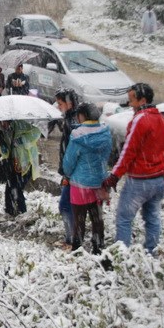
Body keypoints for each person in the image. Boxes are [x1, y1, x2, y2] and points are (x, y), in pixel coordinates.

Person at [103, 83, 164, 255]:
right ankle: (151, 254)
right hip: (157, 181)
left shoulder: (140, 119)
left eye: (132, 100)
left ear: (142, 100)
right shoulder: (163, 121)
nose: (130, 104)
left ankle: (122, 257)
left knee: (124, 219)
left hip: (139, 181)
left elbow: (128, 151)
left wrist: (114, 176)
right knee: (152, 218)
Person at [62, 103, 112, 254]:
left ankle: (77, 249)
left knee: (79, 220)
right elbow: (107, 156)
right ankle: (98, 247)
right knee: (97, 219)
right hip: (99, 183)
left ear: (82, 116)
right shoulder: (105, 133)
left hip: (80, 184)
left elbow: (69, 162)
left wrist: (67, 175)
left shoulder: (78, 136)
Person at [0, 120, 41, 216]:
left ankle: (22, 212)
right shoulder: (1, 132)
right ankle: (10, 211)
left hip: (27, 163)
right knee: (9, 188)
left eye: (4, 122)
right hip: (14, 165)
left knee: (16, 188)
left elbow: (37, 132)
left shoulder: (20, 125)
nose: (3, 125)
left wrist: (22, 140)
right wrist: (3, 146)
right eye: (0, 123)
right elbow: (7, 153)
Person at [55, 88, 79, 248]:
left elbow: (72, 151)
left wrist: (66, 172)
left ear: (69, 103)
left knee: (65, 205)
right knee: (71, 206)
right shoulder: (71, 119)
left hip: (73, 172)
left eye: (60, 103)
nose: (58, 107)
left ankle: (72, 240)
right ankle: (71, 238)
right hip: (72, 171)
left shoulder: (73, 123)